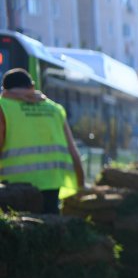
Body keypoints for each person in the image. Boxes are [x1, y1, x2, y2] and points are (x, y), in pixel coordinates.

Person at [0, 68, 86, 214]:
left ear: (5, 89)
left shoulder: (3, 106)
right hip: (51, 184)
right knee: (48, 231)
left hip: (14, 189)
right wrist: (81, 185)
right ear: (32, 87)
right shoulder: (55, 109)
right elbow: (73, 152)